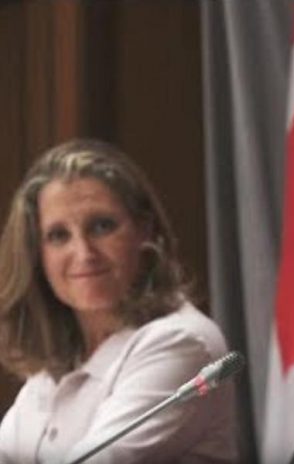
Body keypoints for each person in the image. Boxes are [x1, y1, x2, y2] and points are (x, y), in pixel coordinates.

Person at [0, 139, 239, 463]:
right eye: (59, 235)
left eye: (102, 226)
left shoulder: (181, 342)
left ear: (145, 230)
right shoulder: (59, 359)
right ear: (36, 255)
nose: (84, 253)